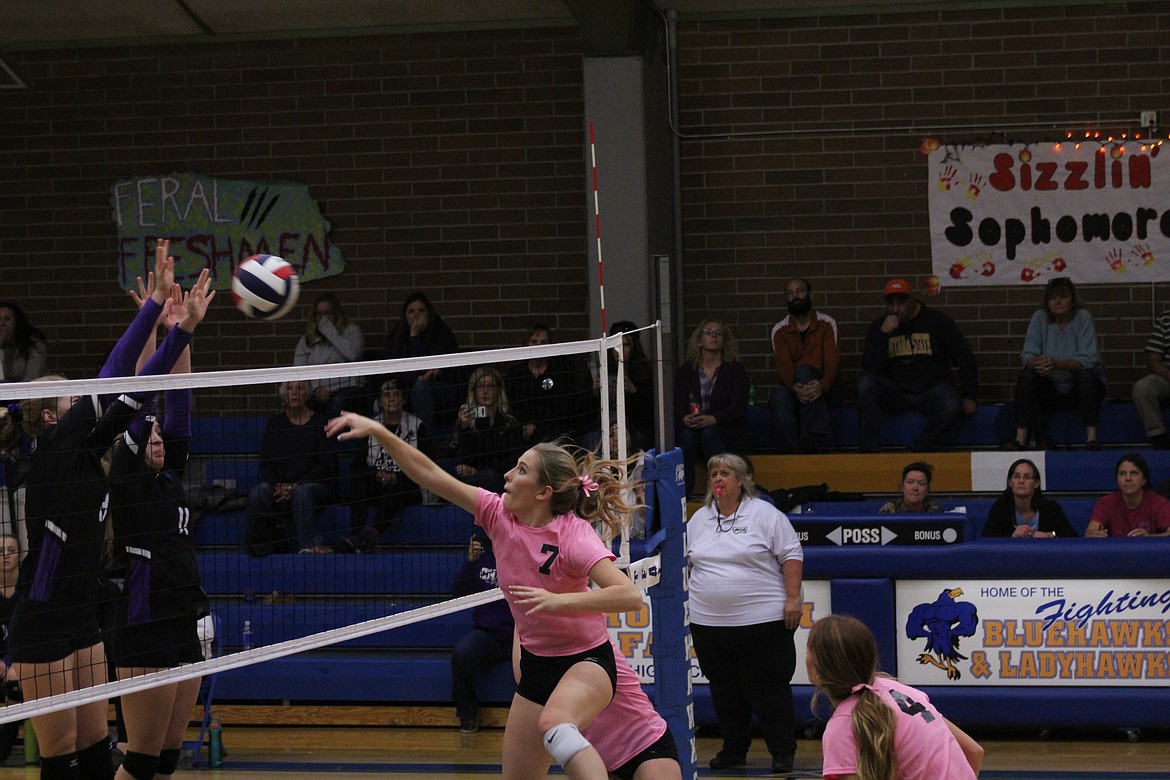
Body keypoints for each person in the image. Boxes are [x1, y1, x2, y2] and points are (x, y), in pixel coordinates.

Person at [325, 412, 644, 780]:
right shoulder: (496, 515)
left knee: (557, 725)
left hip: (586, 661)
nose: (507, 476)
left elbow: (628, 596)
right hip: (538, 667)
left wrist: (558, 602)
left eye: (521, 470)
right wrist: (381, 432)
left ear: (544, 492)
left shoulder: (572, 535)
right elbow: (430, 474)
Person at [5, 240, 213, 780]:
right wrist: (153, 314)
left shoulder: (89, 454)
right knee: (62, 757)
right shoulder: (54, 453)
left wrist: (180, 329)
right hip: (43, 620)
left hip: (84, 616)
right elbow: (120, 375)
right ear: (50, 418)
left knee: (99, 753)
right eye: (71, 398)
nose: (85, 399)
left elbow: (139, 393)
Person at [106, 315, 207, 780]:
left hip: (184, 614)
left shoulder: (169, 479)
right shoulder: (126, 479)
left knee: (167, 757)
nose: (160, 439)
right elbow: (142, 399)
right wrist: (157, 330)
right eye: (152, 436)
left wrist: (182, 328)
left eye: (163, 436)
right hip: (143, 620)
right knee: (142, 760)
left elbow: (179, 399)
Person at [686, 453, 803, 774]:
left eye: (725, 474)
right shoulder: (699, 519)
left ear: (741, 480)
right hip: (709, 625)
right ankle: (733, 750)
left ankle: (782, 752)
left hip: (763, 623)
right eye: (713, 474)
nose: (718, 480)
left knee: (769, 690)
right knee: (724, 690)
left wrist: (793, 598)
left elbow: (792, 554)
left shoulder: (765, 514)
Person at [806, 613, 983, 780]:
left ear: (817, 668)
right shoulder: (901, 691)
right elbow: (974, 752)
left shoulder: (842, 727)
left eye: (808, 649)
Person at [857, 279, 979, 452]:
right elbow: (870, 369)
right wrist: (883, 335)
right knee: (865, 384)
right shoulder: (879, 326)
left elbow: (964, 357)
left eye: (901, 303)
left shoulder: (936, 321)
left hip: (931, 389)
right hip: (896, 392)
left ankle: (917, 449)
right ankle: (870, 454)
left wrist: (970, 395)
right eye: (890, 303)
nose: (895, 309)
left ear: (912, 301)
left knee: (952, 406)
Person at [1004, 277, 1106, 451]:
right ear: (1047, 302)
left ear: (1073, 300)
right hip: (1050, 388)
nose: (1058, 301)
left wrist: (1057, 363)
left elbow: (1089, 359)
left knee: (1086, 376)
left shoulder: (1083, 317)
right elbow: (1026, 356)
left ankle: (1092, 439)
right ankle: (1019, 440)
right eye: (1053, 297)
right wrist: (1038, 363)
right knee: (1027, 375)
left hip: (1079, 389)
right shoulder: (1039, 317)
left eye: (1063, 296)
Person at [333, 377, 429, 553]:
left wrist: (396, 476)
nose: (391, 398)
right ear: (380, 401)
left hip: (407, 486)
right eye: (386, 395)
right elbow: (358, 463)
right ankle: (356, 535)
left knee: (399, 486)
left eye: (396, 394)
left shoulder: (418, 426)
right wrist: (375, 474)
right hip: (376, 484)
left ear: (404, 399)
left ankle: (371, 534)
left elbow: (427, 465)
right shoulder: (370, 427)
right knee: (359, 479)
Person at [246, 380, 335, 555]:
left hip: (313, 486)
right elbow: (265, 462)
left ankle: (306, 547)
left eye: (300, 388)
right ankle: (259, 546)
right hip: (281, 486)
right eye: (289, 388)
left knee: (302, 493)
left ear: (307, 393)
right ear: (283, 394)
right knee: (258, 494)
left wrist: (297, 485)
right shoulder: (275, 424)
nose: (294, 393)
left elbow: (326, 465)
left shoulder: (319, 423)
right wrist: (276, 485)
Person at [672, 319, 751, 494]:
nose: (713, 336)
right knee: (686, 435)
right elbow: (677, 403)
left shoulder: (735, 370)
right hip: (693, 432)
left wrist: (713, 419)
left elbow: (738, 407)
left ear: (724, 340)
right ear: (699, 339)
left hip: (725, 431)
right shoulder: (687, 371)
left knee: (709, 433)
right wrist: (684, 417)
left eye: (718, 333)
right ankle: (685, 492)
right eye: (708, 332)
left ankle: (719, 489)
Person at [451, 531, 514, 734]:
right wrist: (470, 562)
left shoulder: (522, 553)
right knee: (462, 653)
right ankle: (467, 715)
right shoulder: (483, 557)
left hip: (521, 633)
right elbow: (460, 594)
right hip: (489, 635)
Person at [769, 278, 839, 453]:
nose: (795, 296)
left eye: (800, 291)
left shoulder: (827, 323)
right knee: (778, 396)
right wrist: (795, 388)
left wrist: (821, 385)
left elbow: (831, 362)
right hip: (794, 389)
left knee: (805, 370)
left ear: (811, 294)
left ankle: (809, 442)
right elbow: (784, 367)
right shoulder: (779, 329)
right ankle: (795, 453)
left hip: (824, 390)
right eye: (790, 293)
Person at [386, 292, 460, 434]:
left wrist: (415, 335)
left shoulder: (442, 334)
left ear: (429, 313)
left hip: (441, 389)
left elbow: (436, 370)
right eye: (411, 311)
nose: (416, 315)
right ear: (405, 315)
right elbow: (400, 372)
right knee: (382, 400)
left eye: (421, 310)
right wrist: (413, 334)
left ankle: (423, 443)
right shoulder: (397, 337)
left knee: (421, 388)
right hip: (405, 388)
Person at [507, 325, 589, 445]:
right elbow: (512, 407)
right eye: (534, 342)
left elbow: (566, 406)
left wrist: (540, 426)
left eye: (543, 342)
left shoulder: (561, 369)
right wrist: (523, 427)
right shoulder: (516, 373)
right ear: (526, 344)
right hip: (525, 434)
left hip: (556, 432)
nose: (539, 346)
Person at [293, 291, 366, 418]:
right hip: (318, 390)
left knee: (336, 406)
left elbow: (353, 354)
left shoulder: (352, 331)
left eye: (328, 313)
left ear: (336, 314)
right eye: (319, 314)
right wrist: (315, 388)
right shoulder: (307, 339)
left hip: (347, 388)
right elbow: (299, 370)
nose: (324, 318)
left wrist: (329, 332)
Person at [586, 321, 655, 452]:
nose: (620, 350)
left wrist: (634, 392)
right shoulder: (597, 370)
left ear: (634, 347)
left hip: (634, 425)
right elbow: (583, 412)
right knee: (591, 440)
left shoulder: (645, 372)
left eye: (626, 345)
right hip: (602, 425)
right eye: (616, 345)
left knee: (639, 439)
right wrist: (593, 392)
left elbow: (651, 411)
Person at [456, 366, 526, 494]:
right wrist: (464, 427)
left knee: (489, 475)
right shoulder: (469, 422)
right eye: (480, 387)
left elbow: (513, 460)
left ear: (498, 390)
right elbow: (467, 459)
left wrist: (476, 470)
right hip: (476, 481)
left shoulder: (510, 421)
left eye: (490, 386)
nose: (485, 391)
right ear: (474, 391)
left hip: (503, 478)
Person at [981, 458, 1078, 538]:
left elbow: (1071, 535)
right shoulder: (1001, 507)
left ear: (1036, 483)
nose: (1021, 481)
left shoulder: (1050, 508)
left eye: (1027, 477)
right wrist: (1011, 534)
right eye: (1016, 476)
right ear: (1010, 482)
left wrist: (1050, 535)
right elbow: (987, 536)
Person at [1085, 452, 1170, 537]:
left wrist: (1149, 537)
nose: (1128, 478)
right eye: (1122, 473)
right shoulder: (1107, 502)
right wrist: (1094, 535)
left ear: (1144, 480)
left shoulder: (1158, 502)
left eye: (1134, 473)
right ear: (1117, 480)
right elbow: (1089, 533)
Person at [1130, 307, 1170, 449]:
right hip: (1167, 377)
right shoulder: (1165, 319)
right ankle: (1158, 436)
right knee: (1143, 388)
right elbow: (1153, 359)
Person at [0, 534, 23, 762]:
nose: (5, 555)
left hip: (22, 664)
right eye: (0, 551)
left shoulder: (27, 593)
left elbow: (33, 638)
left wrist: (10, 662)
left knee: (15, 683)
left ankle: (3, 750)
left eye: (11, 550)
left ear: (20, 555)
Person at [0, 301, 47, 383]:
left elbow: (32, 379)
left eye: (7, 319)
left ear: (17, 323)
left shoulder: (34, 346)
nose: (2, 324)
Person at [878, 461, 943, 514]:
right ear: (902, 487)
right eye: (910, 482)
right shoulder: (889, 510)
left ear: (927, 490)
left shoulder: (935, 511)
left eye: (921, 483)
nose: (915, 488)